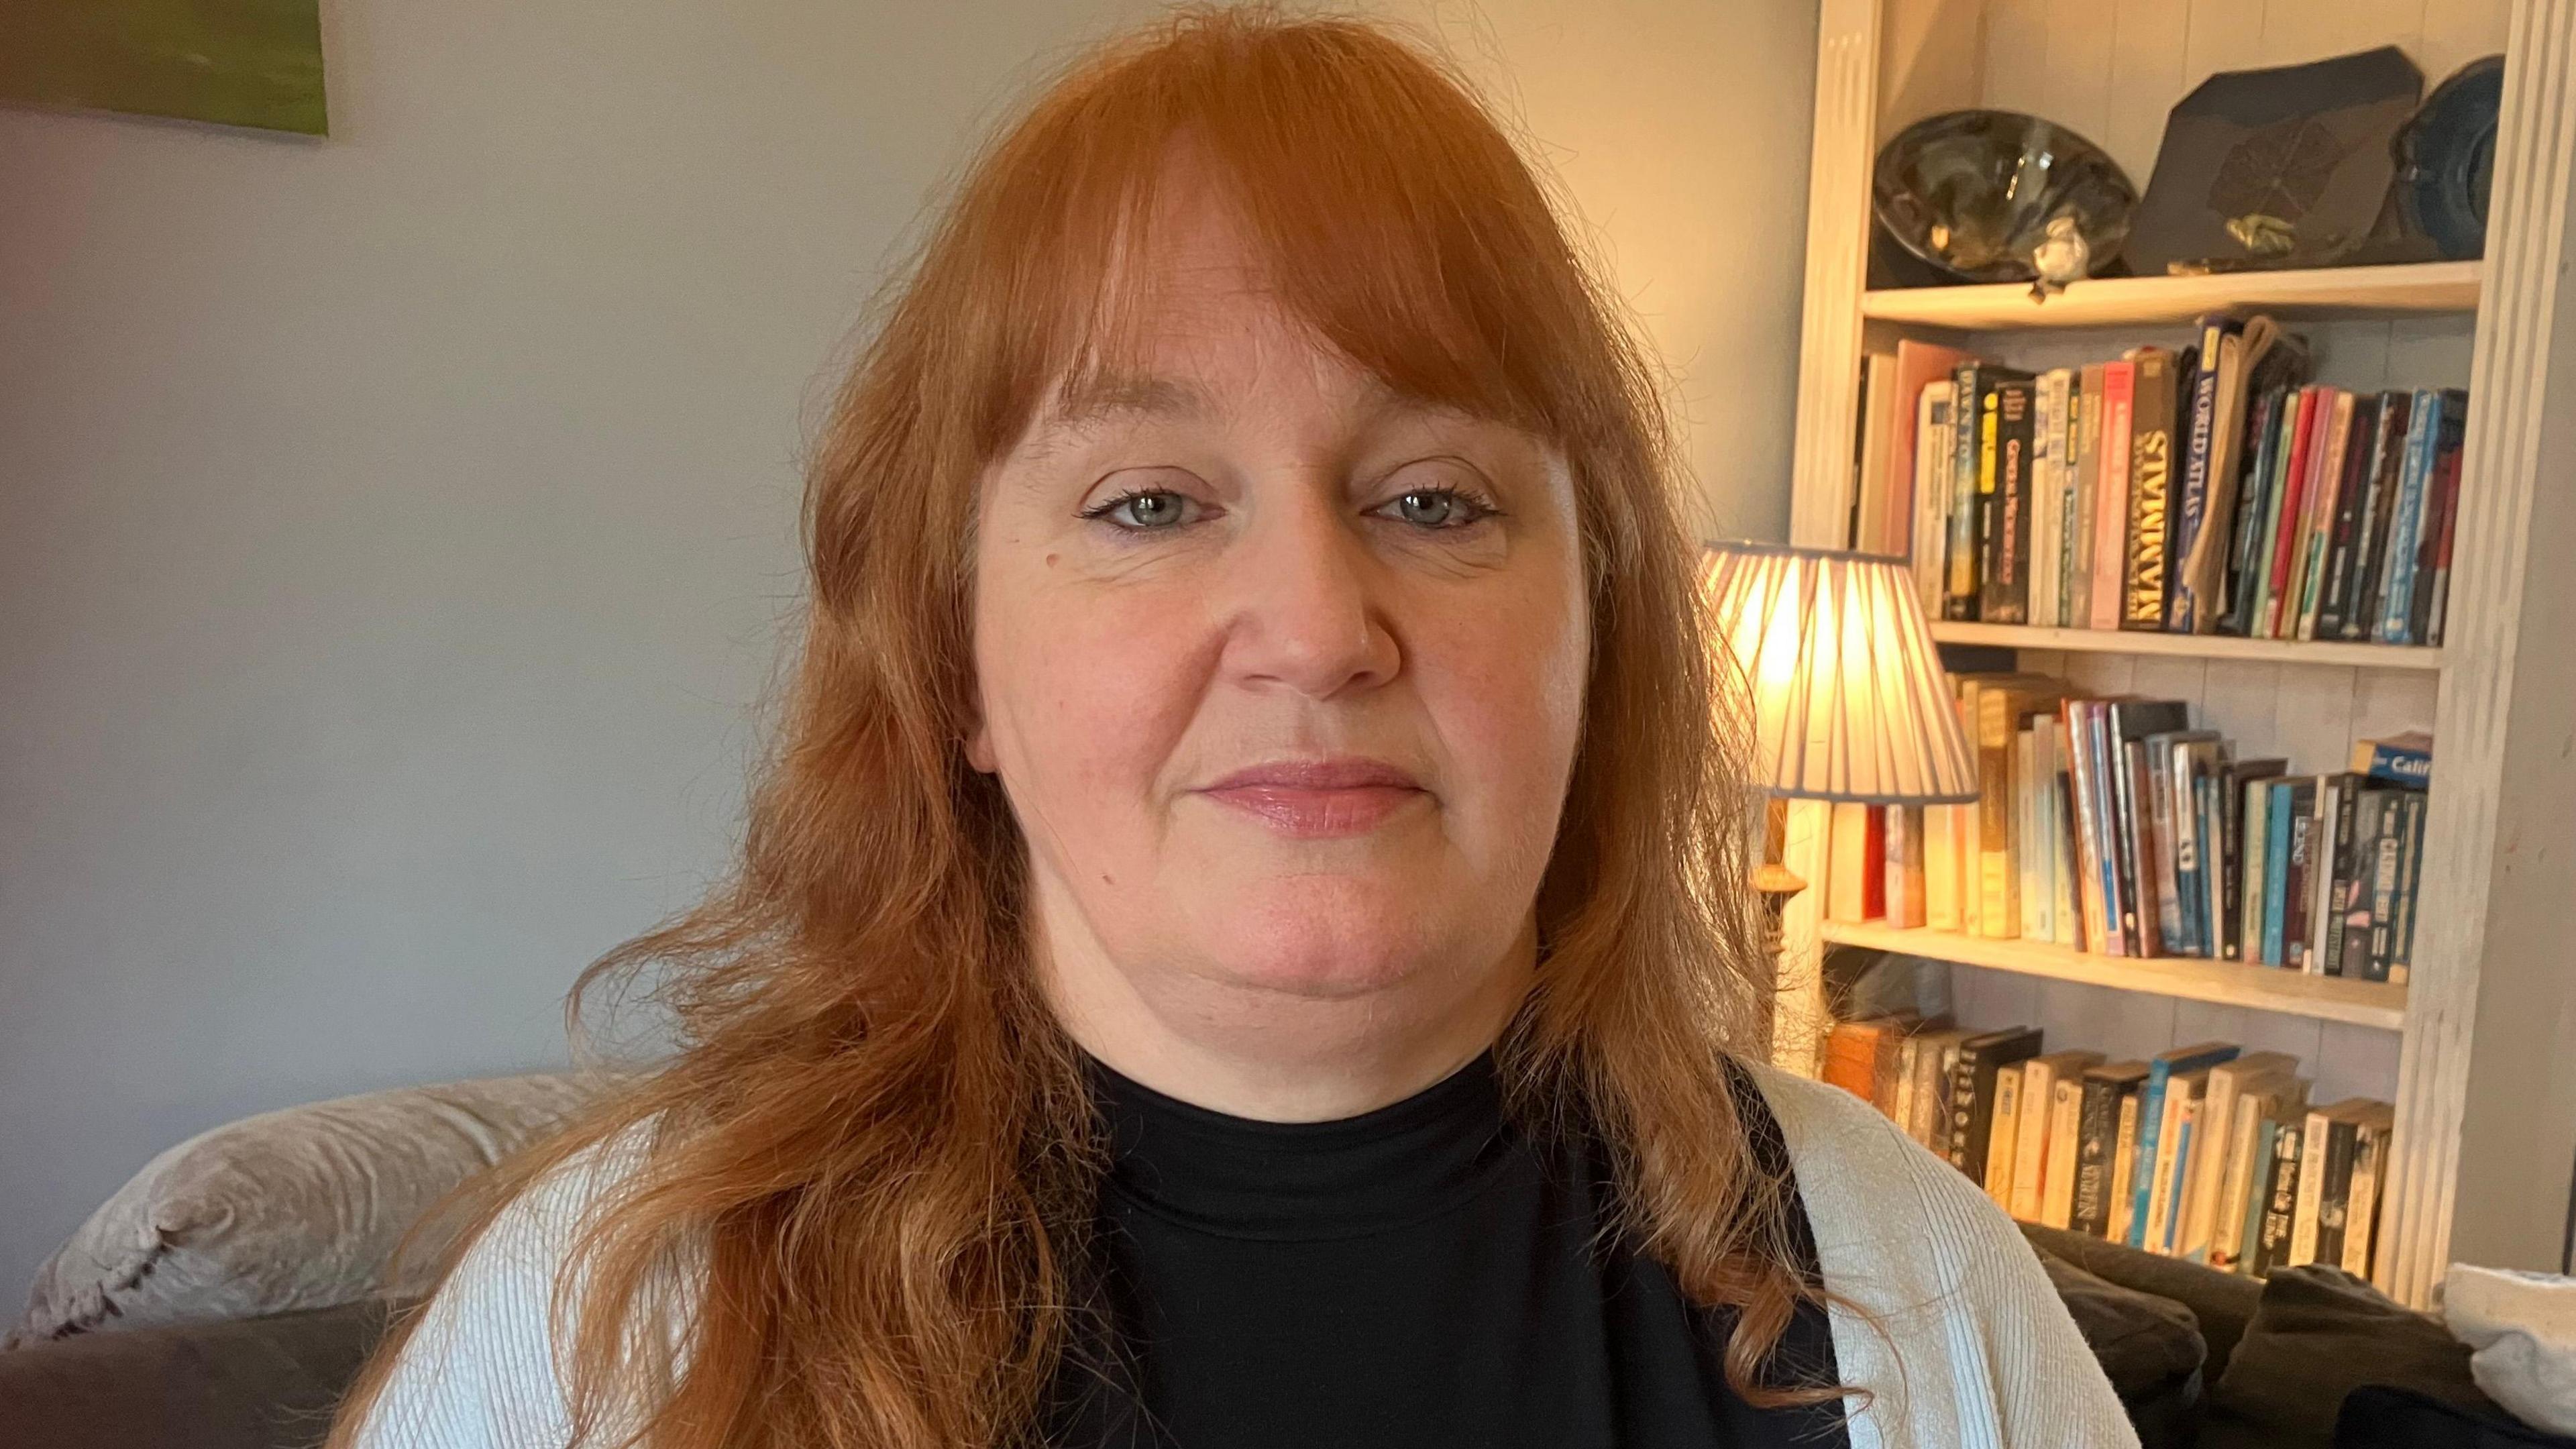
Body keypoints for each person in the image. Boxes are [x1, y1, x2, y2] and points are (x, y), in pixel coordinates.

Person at [331, 7, 2133, 1448]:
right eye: (1147, 505)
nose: (1316, 631)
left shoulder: (1912, 1297)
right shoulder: (620, 1323)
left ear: (1600, 630)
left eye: (1433, 500)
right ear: (955, 663)